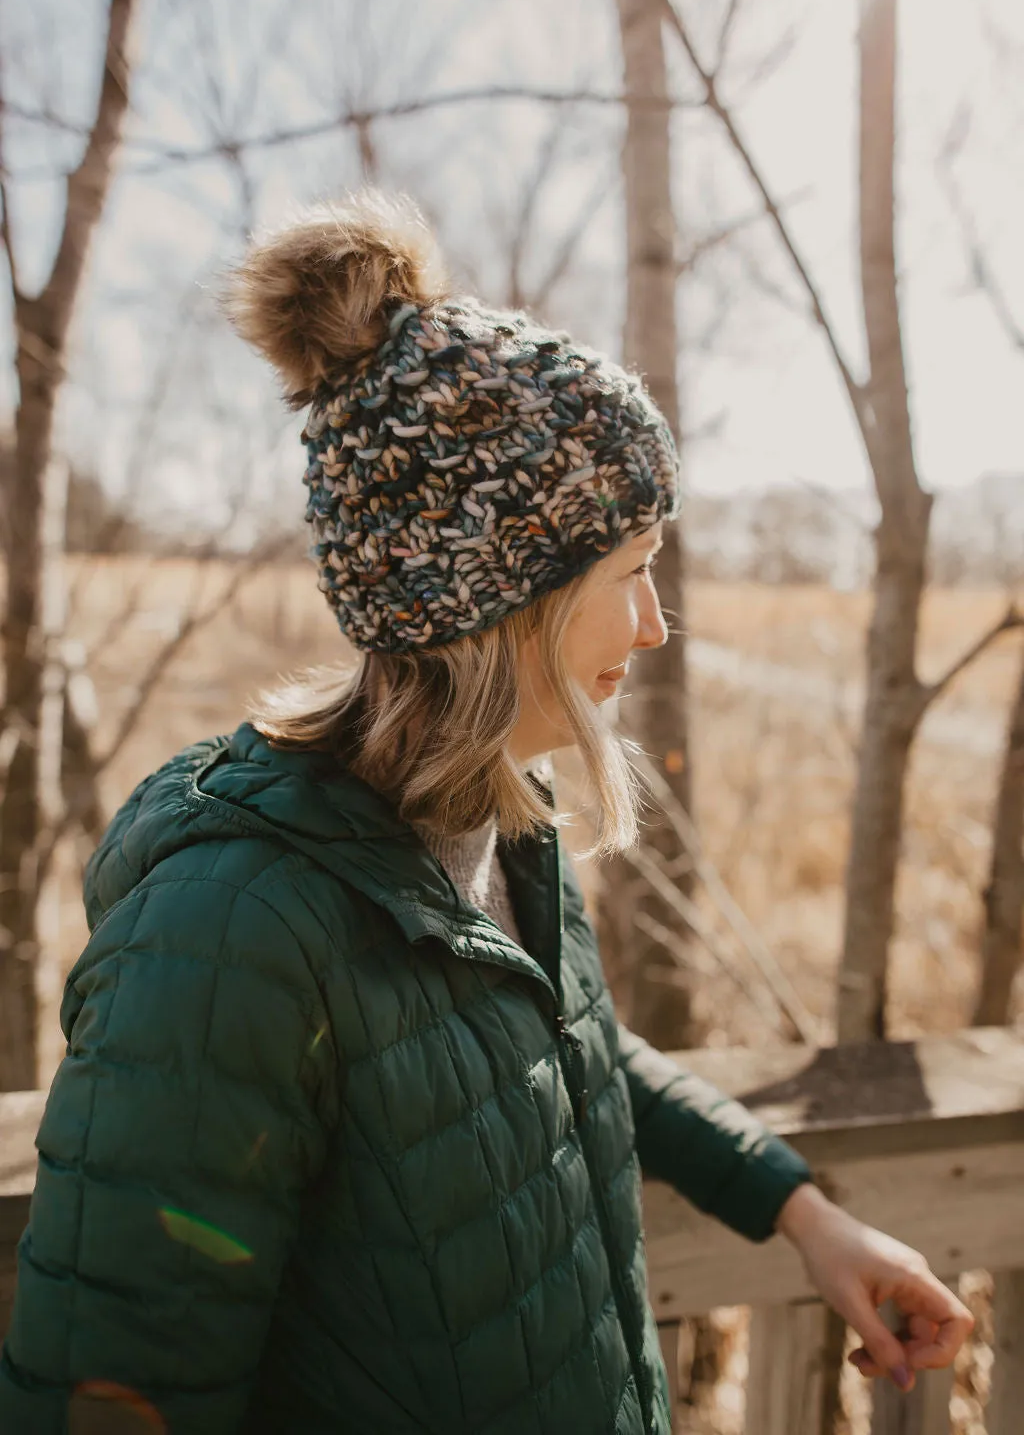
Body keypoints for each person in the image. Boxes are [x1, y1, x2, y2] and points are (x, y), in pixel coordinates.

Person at [0, 190, 972, 1434]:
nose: (656, 625)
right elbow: (109, 1394)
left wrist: (804, 1213)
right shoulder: (226, 940)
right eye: (628, 573)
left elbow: (562, 1053)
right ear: (499, 599)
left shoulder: (500, 814)